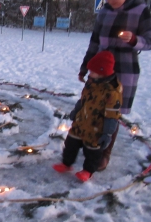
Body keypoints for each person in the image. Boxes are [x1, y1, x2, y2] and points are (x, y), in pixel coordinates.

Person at [78, 0, 151, 171]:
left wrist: (133, 40)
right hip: (100, 70)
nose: (111, 1)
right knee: (94, 106)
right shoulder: (104, 12)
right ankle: (88, 144)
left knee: (112, 111)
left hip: (123, 69)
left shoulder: (140, 10)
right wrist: (85, 66)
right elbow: (94, 41)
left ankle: (104, 153)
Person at [53, 51, 123, 182]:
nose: (89, 74)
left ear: (102, 73)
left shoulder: (111, 93)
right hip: (80, 123)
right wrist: (76, 111)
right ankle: (66, 164)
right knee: (70, 144)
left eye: (93, 71)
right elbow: (83, 100)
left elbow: (112, 116)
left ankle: (88, 171)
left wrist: (107, 134)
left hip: (96, 128)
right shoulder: (91, 84)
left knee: (92, 151)